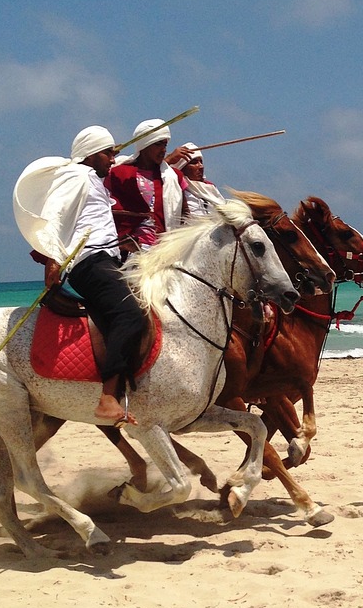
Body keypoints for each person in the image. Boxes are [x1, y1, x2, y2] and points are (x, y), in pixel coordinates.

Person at [13, 126, 149, 425]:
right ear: (90, 154)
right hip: (89, 262)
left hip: (107, 259)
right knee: (130, 315)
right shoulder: (78, 176)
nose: (113, 159)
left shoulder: (92, 176)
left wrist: (128, 154)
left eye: (114, 153)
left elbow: (119, 160)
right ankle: (108, 397)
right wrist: (52, 259)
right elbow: (55, 214)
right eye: (107, 153)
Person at [106, 119, 185, 255]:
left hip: (164, 252)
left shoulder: (174, 176)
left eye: (165, 145)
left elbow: (185, 215)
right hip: (127, 251)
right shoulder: (119, 173)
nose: (164, 150)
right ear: (145, 145)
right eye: (158, 144)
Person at [169, 143, 226, 218]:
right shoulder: (176, 187)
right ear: (182, 167)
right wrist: (169, 159)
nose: (201, 166)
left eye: (201, 162)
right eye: (194, 162)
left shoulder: (210, 189)